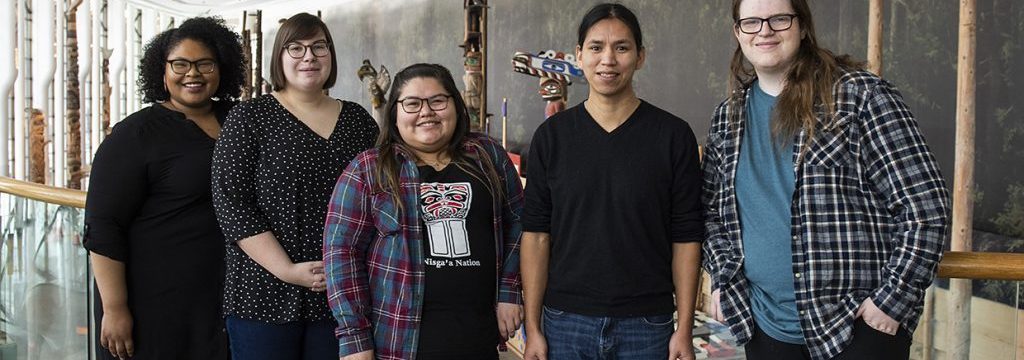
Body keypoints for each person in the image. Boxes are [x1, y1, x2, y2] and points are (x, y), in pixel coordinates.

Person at [701, 0, 951, 359]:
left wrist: (893, 301)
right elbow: (711, 213)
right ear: (738, 33)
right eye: (752, 22)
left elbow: (925, 208)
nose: (765, 31)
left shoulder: (859, 96)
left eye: (779, 19)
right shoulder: (728, 117)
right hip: (765, 326)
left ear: (802, 27)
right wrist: (724, 277)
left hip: (855, 327)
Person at [520, 3, 703, 360]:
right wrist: (534, 327)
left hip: (647, 323)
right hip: (565, 321)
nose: (608, 59)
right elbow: (537, 234)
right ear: (578, 56)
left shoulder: (672, 135)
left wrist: (683, 329)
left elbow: (687, 235)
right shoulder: (551, 137)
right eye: (596, 47)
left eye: (622, 47)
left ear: (640, 57)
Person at [323, 63, 524, 360]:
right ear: (395, 113)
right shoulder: (369, 169)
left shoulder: (487, 155)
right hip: (398, 341)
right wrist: (354, 338)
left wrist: (510, 290)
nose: (426, 112)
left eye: (438, 101)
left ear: (455, 105)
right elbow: (341, 253)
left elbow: (519, 223)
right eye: (412, 103)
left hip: (477, 337)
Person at [211, 13, 379, 360]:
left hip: (341, 293)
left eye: (319, 46)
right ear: (280, 57)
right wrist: (288, 270)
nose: (309, 56)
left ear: (331, 55)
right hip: (263, 294)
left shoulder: (358, 120)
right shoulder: (250, 118)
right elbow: (232, 205)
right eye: (296, 47)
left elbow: (378, 198)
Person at [83, 16, 244, 360]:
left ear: (223, 68)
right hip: (153, 302)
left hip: (223, 300)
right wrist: (114, 308)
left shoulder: (241, 120)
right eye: (180, 64)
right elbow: (103, 226)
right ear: (162, 70)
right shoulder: (135, 135)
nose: (193, 74)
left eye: (205, 63)